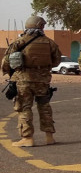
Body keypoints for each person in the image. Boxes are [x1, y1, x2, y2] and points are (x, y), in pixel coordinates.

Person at [1, 16, 61, 147]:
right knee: (44, 107)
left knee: (24, 108)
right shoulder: (50, 43)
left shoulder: (19, 42)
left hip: (23, 80)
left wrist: (9, 72)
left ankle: (27, 138)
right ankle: (49, 137)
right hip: (43, 81)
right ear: (41, 27)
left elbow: (6, 61)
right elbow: (56, 61)